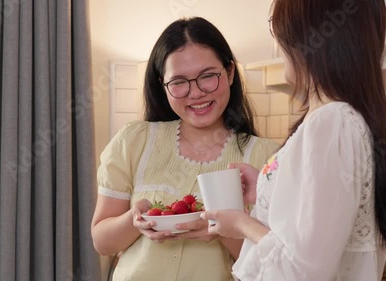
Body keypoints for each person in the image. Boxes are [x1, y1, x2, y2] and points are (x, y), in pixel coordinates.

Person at [201, 0, 386, 280]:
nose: (279, 44)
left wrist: (242, 224)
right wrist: (268, 184)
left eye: (281, 31)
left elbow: (305, 270)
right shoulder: (334, 119)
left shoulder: (333, 122)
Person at [91, 17, 279, 281]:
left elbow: (273, 263)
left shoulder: (269, 158)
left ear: (230, 72)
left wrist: (219, 229)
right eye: (179, 82)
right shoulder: (134, 141)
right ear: (163, 85)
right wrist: (133, 221)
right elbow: (102, 242)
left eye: (208, 76)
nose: (196, 93)